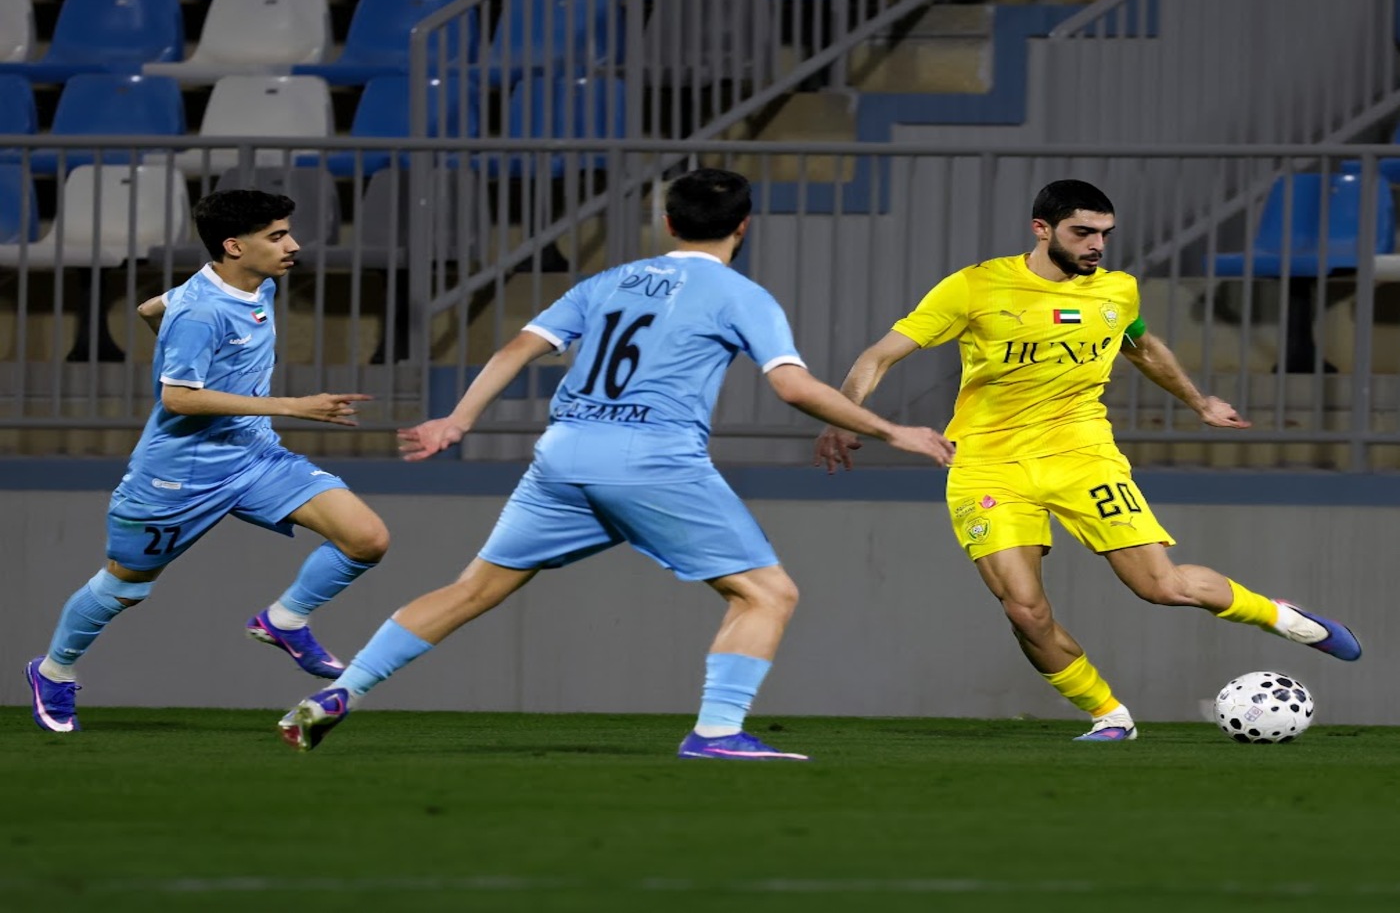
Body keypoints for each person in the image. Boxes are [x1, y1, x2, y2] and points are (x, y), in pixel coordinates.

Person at [276, 168, 956, 759]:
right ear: (744, 227)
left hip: (564, 455)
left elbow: (519, 346)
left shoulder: (611, 281)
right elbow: (792, 386)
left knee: (471, 591)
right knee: (766, 594)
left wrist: (459, 417)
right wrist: (893, 431)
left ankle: (341, 692)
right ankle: (717, 732)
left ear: (666, 221)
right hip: (652, 460)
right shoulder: (742, 296)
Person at [814, 179, 1362, 742]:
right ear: (1041, 229)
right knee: (1025, 610)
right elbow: (879, 355)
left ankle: (1288, 620)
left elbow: (1143, 346)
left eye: (1105, 234)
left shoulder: (1117, 291)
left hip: (1083, 456)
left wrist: (1199, 401)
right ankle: (1109, 715)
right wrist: (843, 414)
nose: (1097, 245)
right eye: (1083, 232)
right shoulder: (975, 287)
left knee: (1162, 587)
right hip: (987, 466)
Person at [25, 190, 391, 733]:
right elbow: (179, 399)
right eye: (276, 236)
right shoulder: (201, 311)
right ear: (233, 246)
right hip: (178, 477)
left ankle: (284, 620)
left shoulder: (252, 283)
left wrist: (176, 335)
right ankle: (53, 671)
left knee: (366, 539)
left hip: (253, 457)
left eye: (287, 232)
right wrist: (292, 405)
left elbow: (152, 308)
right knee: (124, 587)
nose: (292, 245)